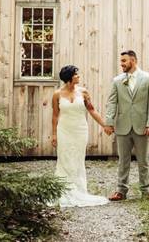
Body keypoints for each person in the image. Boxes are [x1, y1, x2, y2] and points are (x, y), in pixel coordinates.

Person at [51, 65, 109, 207]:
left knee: (77, 158)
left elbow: (92, 110)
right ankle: (63, 189)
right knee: (64, 158)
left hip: (80, 130)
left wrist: (105, 125)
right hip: (64, 130)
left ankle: (79, 189)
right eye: (76, 74)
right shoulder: (57, 94)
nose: (78, 76)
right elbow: (55, 115)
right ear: (69, 77)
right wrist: (53, 134)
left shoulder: (83, 93)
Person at [104, 50, 149, 201]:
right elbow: (112, 102)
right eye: (121, 61)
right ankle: (121, 191)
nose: (121, 64)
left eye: (124, 61)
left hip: (142, 126)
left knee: (143, 161)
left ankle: (146, 191)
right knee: (123, 161)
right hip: (122, 126)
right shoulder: (117, 80)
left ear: (133, 61)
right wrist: (109, 122)